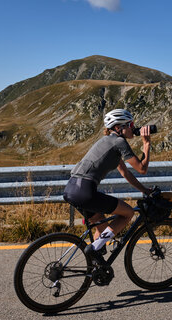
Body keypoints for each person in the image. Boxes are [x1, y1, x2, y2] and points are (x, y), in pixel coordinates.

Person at [63, 109, 153, 264]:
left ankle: (95, 266)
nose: (133, 127)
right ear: (119, 128)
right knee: (128, 213)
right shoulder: (119, 142)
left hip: (72, 188)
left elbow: (126, 173)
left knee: (102, 227)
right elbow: (141, 169)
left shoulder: (109, 142)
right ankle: (93, 248)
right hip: (85, 190)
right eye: (130, 124)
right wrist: (146, 143)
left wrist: (144, 190)